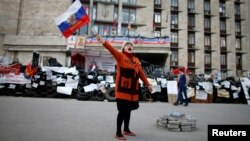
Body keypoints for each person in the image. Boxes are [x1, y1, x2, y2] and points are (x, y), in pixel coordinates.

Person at [96, 34, 152, 140]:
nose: (129, 45)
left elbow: (141, 74)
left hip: (133, 91)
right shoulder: (120, 56)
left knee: (129, 110)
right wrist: (102, 41)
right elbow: (111, 49)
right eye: (127, 45)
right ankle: (118, 132)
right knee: (122, 111)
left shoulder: (136, 60)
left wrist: (148, 84)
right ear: (123, 48)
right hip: (123, 89)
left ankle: (126, 129)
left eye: (131, 45)